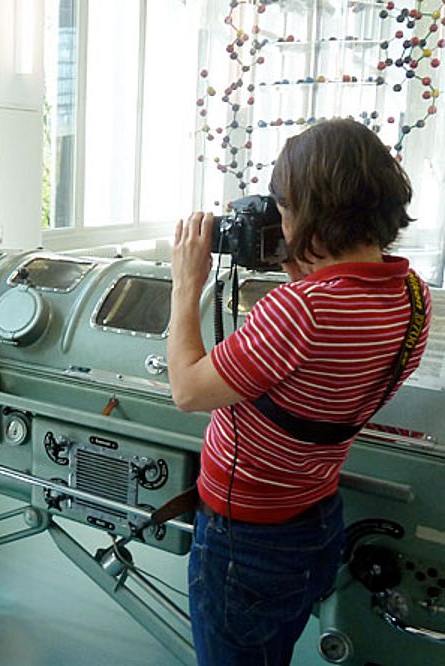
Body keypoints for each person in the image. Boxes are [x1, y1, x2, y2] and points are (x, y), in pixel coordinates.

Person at [168, 118, 431, 666]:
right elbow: (318, 361)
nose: (280, 220)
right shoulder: (412, 295)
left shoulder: (300, 311)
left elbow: (187, 390)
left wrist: (186, 284)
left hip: (246, 540)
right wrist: (305, 263)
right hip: (316, 520)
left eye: (285, 207)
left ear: (311, 210)